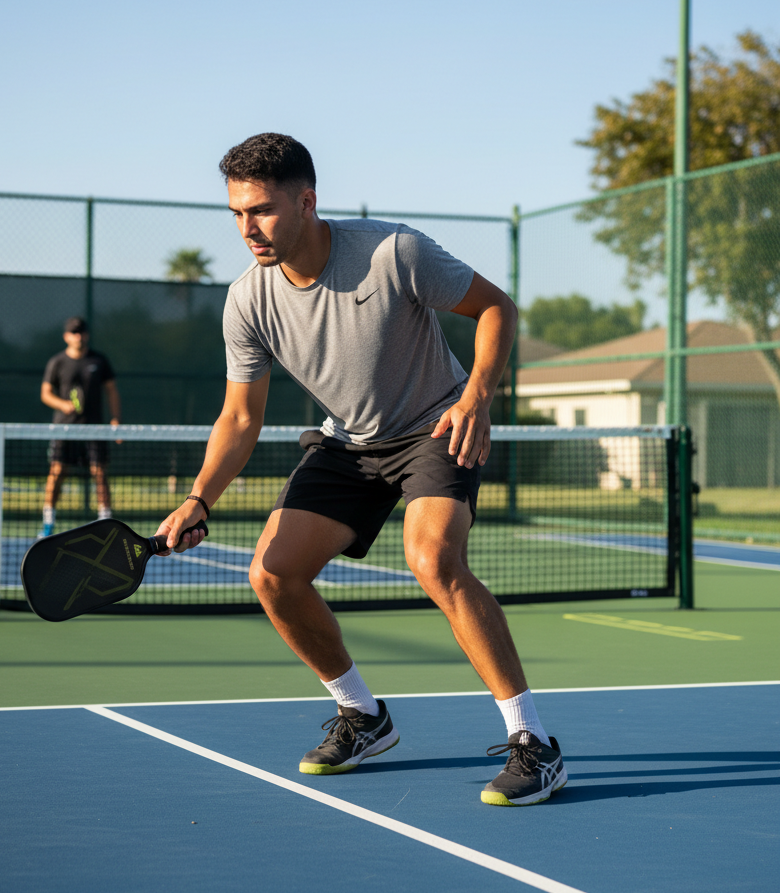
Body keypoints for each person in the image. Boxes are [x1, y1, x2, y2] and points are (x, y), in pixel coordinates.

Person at [158, 133, 567, 806]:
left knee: (433, 560)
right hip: (348, 445)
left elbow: (496, 306)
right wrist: (199, 498)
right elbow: (240, 418)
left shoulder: (392, 252)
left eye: (259, 210)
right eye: (236, 213)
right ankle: (363, 716)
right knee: (272, 573)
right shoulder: (247, 301)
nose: (246, 228)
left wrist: (477, 397)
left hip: (435, 425)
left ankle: (534, 743)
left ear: (306, 201)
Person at [39, 316, 122, 536]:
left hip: (94, 429)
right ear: (66, 336)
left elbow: (111, 390)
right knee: (56, 472)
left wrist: (115, 419)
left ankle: (105, 522)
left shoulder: (99, 361)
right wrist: (63, 404)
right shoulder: (57, 362)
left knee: (99, 473)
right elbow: (46, 394)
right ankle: (48, 523)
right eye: (74, 333)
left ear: (87, 335)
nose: (79, 336)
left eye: (82, 332)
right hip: (64, 429)